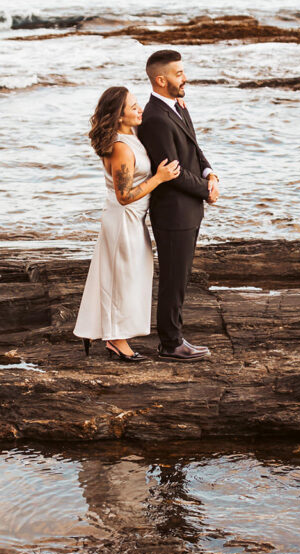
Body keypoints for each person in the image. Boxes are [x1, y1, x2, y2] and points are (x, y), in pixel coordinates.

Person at [73, 85, 180, 362]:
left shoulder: (130, 136)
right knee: (121, 280)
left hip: (132, 219)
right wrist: (159, 178)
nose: (140, 109)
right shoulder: (121, 147)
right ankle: (116, 340)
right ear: (119, 116)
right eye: (133, 107)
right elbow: (123, 196)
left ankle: (110, 334)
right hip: (124, 219)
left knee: (127, 277)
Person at [138, 49, 220, 362]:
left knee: (181, 277)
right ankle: (170, 343)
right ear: (161, 79)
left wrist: (209, 174)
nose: (185, 77)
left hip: (188, 208)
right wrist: (206, 191)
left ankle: (175, 338)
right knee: (174, 278)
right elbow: (170, 172)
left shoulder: (178, 107)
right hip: (172, 211)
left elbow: (194, 149)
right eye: (179, 73)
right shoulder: (156, 119)